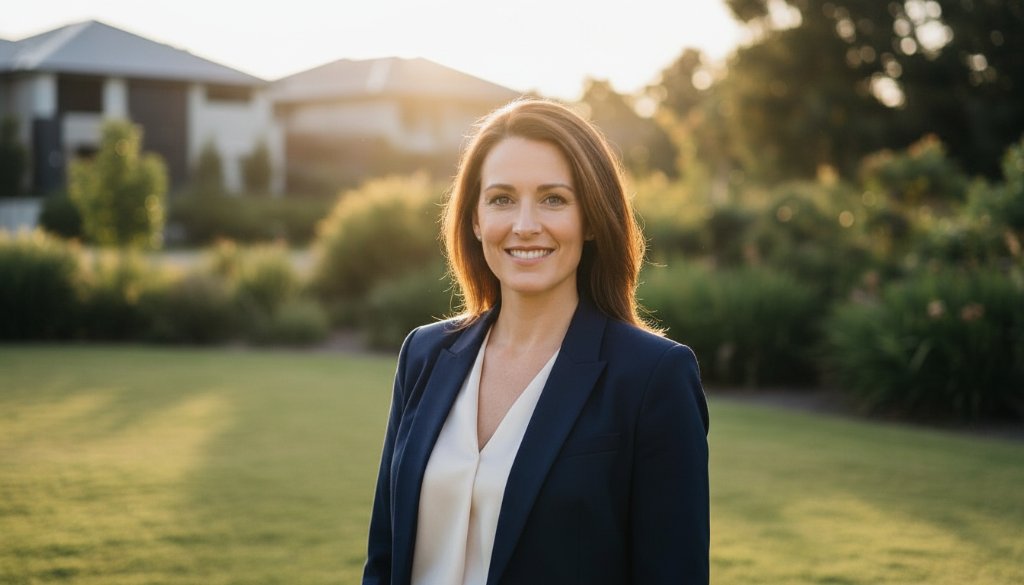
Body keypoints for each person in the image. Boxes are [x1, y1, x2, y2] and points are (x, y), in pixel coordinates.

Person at [363, 98, 709, 585]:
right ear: (476, 218)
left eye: (553, 199)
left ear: (590, 219)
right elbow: (383, 559)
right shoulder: (424, 355)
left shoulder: (652, 376)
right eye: (502, 199)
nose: (525, 225)